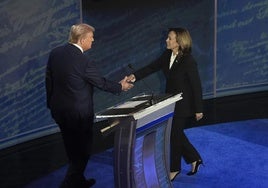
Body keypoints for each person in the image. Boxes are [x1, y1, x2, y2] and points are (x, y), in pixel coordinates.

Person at [45, 23, 133, 188]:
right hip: (79, 115)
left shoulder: (55, 53)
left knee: (72, 148)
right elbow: (101, 83)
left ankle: (78, 181)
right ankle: (68, 184)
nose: (93, 41)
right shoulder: (83, 60)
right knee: (83, 151)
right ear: (83, 39)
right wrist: (121, 86)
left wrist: (51, 104)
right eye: (91, 38)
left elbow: (48, 80)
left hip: (59, 111)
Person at [127, 27, 203, 181]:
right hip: (170, 102)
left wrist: (199, 109)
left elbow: (196, 85)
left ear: (179, 42)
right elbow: (151, 67)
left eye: (170, 38)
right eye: (168, 38)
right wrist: (135, 76)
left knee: (174, 135)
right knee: (176, 133)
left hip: (184, 104)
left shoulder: (188, 60)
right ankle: (195, 158)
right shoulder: (167, 54)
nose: (166, 40)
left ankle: (175, 169)